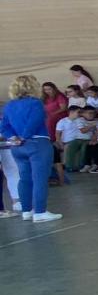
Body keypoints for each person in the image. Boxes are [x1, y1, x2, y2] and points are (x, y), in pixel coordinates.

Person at [2, 75, 62, 223]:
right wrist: (24, 135)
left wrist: (14, 137)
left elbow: (4, 126)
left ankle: (27, 211)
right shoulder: (35, 103)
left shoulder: (9, 105)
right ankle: (40, 212)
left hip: (17, 147)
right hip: (37, 143)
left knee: (24, 178)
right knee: (40, 178)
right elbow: (34, 121)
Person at [57, 106, 88, 176]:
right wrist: (59, 142)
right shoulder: (62, 121)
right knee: (69, 146)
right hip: (67, 141)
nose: (80, 114)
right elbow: (58, 133)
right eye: (78, 112)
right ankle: (69, 166)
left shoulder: (81, 120)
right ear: (71, 112)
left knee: (84, 146)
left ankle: (81, 165)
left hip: (79, 140)